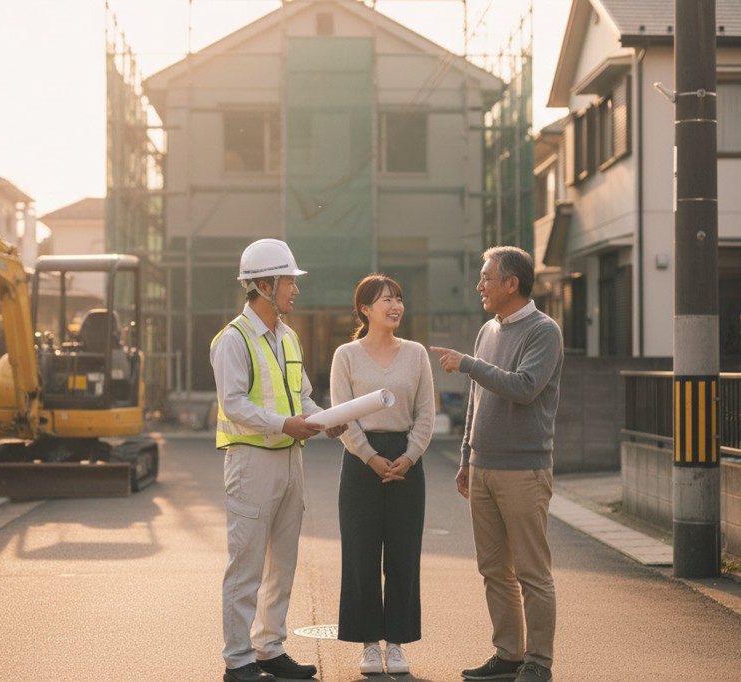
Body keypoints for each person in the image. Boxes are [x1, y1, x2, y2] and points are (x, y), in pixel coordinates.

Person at [210, 238, 346, 682]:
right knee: (246, 564)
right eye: (290, 281)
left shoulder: (288, 336)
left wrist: (325, 419)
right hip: (251, 463)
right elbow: (233, 404)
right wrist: (283, 424)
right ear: (265, 286)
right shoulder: (233, 339)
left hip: (290, 461)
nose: (296, 290)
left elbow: (301, 395)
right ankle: (238, 659)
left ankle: (269, 647)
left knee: (282, 563)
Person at [431, 246, 563, 682]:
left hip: (524, 470)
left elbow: (525, 387)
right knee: (493, 570)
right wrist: (466, 456)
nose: (479, 285)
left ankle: (538, 661)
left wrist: (469, 364)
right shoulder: (488, 330)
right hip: (483, 466)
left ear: (512, 283)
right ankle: (508, 654)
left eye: (487, 278)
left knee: (531, 571)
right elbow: (476, 399)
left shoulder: (543, 331)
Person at [330, 274, 435, 676]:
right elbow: (342, 414)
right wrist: (370, 456)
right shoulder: (346, 355)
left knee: (404, 555)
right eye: (386, 300)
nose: (395, 306)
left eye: (399, 299)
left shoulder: (416, 353)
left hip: (407, 461)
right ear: (365, 309)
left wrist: (409, 456)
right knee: (361, 555)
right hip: (361, 463)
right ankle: (370, 645)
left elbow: (425, 412)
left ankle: (397, 643)